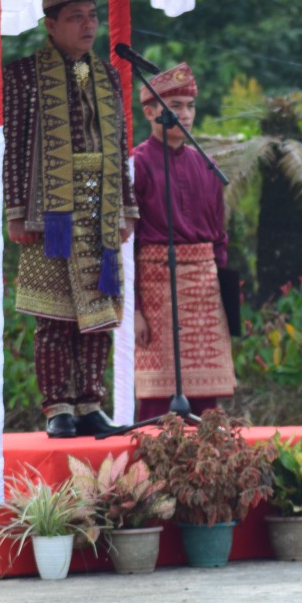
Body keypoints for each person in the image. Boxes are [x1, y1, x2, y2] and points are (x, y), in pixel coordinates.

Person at [3, 0, 137, 439]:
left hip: (101, 207)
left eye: (93, 16)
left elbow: (119, 145)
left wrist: (127, 209)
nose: (88, 25)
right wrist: (16, 211)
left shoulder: (108, 74)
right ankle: (58, 407)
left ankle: (90, 404)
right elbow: (14, 146)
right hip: (50, 213)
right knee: (55, 316)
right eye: (76, 17)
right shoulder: (24, 75)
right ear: (51, 26)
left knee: (99, 314)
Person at [130, 63, 236, 419]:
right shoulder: (136, 164)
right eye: (175, 106)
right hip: (156, 285)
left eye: (190, 106)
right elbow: (126, 244)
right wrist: (135, 310)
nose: (185, 114)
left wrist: (226, 301)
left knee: (207, 402)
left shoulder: (208, 165)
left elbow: (220, 240)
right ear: (150, 112)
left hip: (205, 289)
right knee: (157, 402)